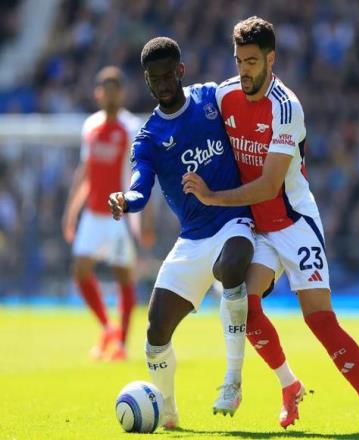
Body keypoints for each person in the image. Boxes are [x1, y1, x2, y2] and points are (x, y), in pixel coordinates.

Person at [182, 17, 359, 435]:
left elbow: (268, 185)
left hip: (294, 223)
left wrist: (212, 197)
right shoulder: (224, 94)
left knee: (320, 320)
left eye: (251, 61)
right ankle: (289, 384)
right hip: (257, 227)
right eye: (238, 60)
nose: (244, 70)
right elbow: (186, 105)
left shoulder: (286, 107)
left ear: (271, 59)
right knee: (244, 305)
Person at [108, 37, 255, 429]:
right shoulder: (149, 137)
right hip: (192, 240)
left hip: (234, 221)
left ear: (181, 71)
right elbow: (141, 186)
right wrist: (126, 199)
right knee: (155, 330)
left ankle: (232, 380)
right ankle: (168, 411)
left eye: (168, 76)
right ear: (146, 80)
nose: (163, 84)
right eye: (154, 79)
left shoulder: (211, 99)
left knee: (231, 265)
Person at [62, 66, 149, 362]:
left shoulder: (131, 128)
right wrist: (71, 211)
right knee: (80, 270)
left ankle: (121, 344)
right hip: (92, 214)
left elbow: (142, 174)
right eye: (105, 90)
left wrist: (145, 217)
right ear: (98, 93)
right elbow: (85, 171)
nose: (110, 96)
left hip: (119, 215)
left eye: (115, 90)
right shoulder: (91, 126)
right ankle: (108, 328)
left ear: (122, 94)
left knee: (123, 276)